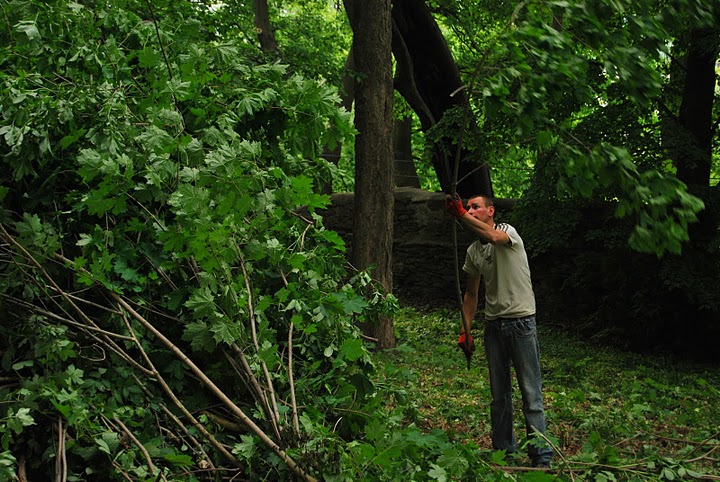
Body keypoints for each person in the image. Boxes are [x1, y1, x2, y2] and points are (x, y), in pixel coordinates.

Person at [445, 194, 553, 468]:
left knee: (531, 393)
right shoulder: (473, 251)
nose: (471, 210)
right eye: (467, 207)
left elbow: (493, 238)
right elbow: (471, 294)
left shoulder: (506, 232)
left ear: (491, 211)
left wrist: (460, 215)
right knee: (499, 396)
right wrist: (466, 331)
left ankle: (541, 457)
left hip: (520, 322)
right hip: (493, 326)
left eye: (475, 207)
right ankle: (505, 453)